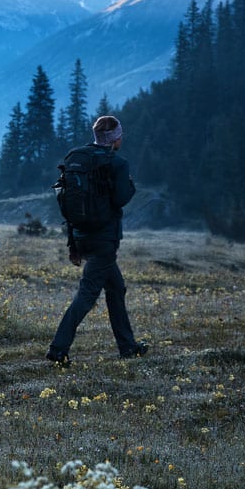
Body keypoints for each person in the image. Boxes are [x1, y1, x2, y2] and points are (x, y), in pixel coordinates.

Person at [47, 115, 145, 365]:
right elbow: (121, 198)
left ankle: (127, 346)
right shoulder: (118, 163)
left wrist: (73, 244)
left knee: (116, 287)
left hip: (81, 234)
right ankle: (58, 348)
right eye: (120, 134)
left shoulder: (78, 158)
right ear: (115, 138)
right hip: (104, 239)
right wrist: (131, 187)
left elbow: (68, 201)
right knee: (88, 292)